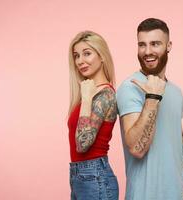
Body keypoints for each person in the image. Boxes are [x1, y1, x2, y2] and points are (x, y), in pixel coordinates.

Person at [117, 18, 183, 200]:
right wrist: (152, 98)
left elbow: (179, 141)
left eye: (155, 44)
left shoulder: (176, 92)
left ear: (168, 46)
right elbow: (137, 148)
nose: (147, 51)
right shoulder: (130, 87)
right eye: (142, 45)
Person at [67, 31, 119, 200]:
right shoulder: (87, 93)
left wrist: (87, 98)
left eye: (87, 53)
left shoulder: (105, 95)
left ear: (101, 55)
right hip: (79, 176)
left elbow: (82, 145)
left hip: (95, 176)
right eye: (76, 56)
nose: (80, 61)